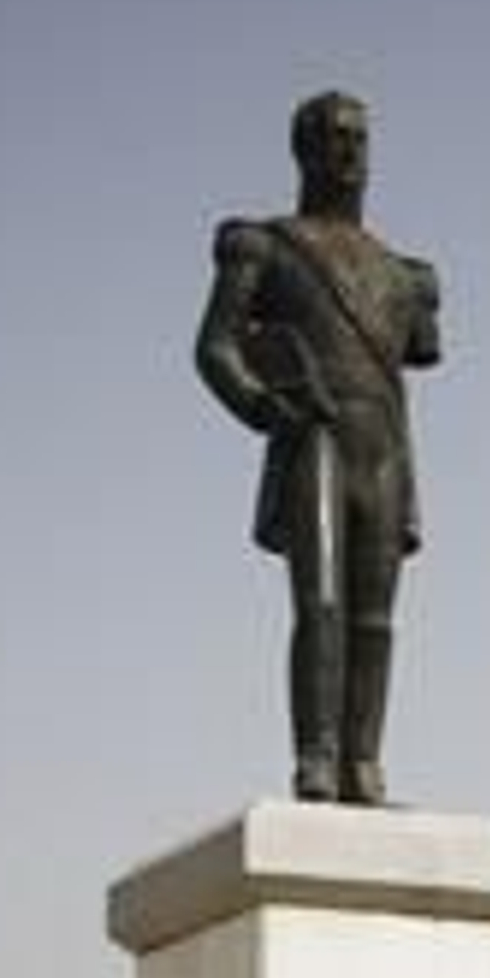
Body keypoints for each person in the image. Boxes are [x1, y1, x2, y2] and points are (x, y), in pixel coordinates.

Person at [195, 91, 441, 807]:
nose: (349, 152)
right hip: (314, 434)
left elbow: (419, 353)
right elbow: (215, 346)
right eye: (333, 138)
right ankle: (318, 757)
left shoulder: (406, 275)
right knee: (321, 602)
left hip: (384, 447)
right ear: (301, 149)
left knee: (375, 614)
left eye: (359, 139)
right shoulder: (267, 246)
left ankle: (364, 763)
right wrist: (263, 406)